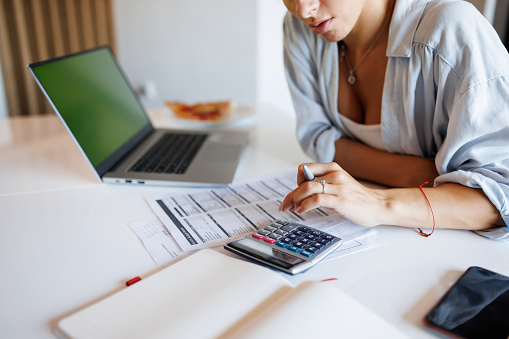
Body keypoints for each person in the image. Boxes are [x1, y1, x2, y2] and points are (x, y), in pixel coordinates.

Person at [278, 0, 509, 240]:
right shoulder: (300, 28)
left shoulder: (451, 28)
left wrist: (379, 203)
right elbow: (317, 138)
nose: (303, 10)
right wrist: (423, 175)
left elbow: (500, 197)